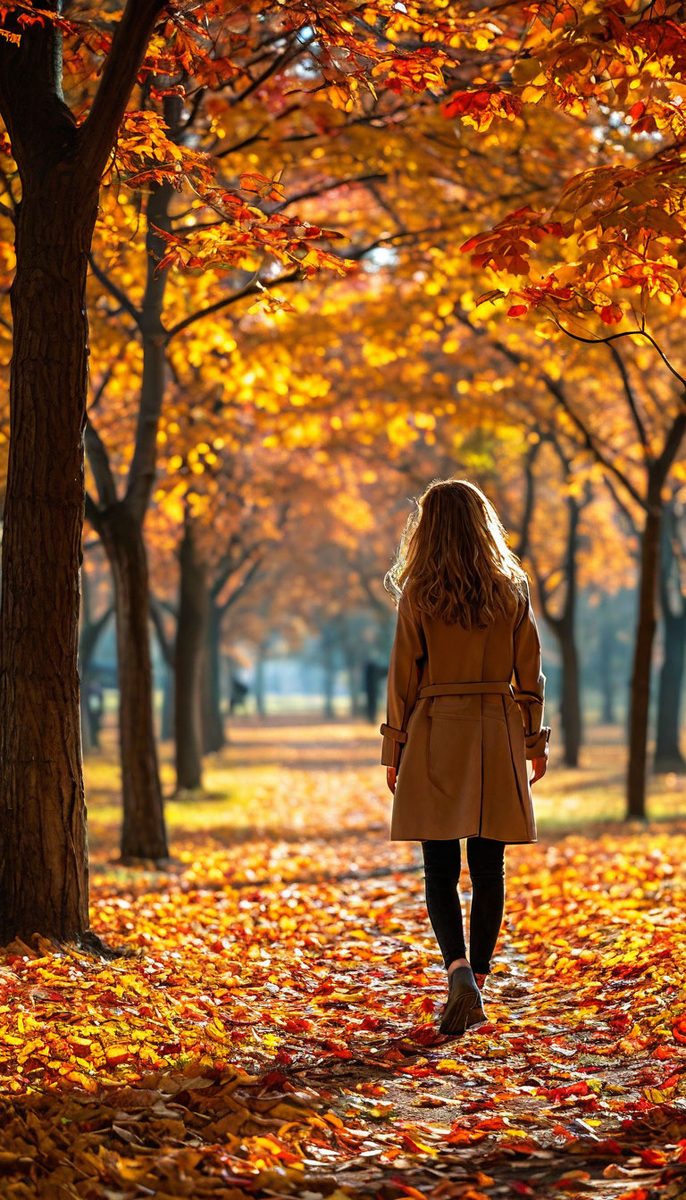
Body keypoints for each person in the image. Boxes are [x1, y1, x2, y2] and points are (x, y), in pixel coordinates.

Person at [380, 479, 550, 1036]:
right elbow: (530, 673)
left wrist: (393, 746)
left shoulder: (419, 594)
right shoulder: (513, 590)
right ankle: (477, 975)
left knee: (439, 865)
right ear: (485, 525)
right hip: (496, 729)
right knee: (488, 866)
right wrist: (533, 741)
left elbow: (403, 675)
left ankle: (458, 974)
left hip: (434, 730)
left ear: (427, 529)